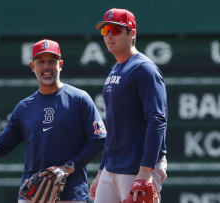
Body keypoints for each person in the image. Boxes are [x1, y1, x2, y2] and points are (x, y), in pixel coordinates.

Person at [0, 39, 106, 203]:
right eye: (41, 62)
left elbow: (98, 139)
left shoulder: (79, 99)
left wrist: (67, 167)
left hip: (72, 194)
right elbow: (1, 145)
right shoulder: (24, 107)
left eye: (51, 61)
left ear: (60, 64)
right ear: (33, 66)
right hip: (32, 195)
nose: (46, 67)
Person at [89, 8, 168, 203]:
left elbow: (157, 120)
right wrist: (101, 170)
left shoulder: (144, 69)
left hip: (136, 166)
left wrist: (145, 172)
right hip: (112, 165)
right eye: (105, 30)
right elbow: (114, 125)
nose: (108, 35)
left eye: (115, 29)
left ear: (132, 33)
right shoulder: (116, 69)